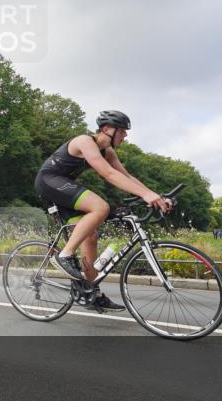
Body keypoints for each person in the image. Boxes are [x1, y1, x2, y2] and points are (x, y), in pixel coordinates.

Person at [34, 110, 171, 312]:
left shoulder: (108, 152)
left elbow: (126, 176)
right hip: (48, 181)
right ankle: (64, 255)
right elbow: (108, 174)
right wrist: (145, 195)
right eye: (122, 131)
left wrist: (153, 195)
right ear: (107, 129)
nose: (125, 136)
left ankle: (90, 291)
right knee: (101, 207)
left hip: (63, 186)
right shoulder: (84, 141)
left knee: (91, 235)